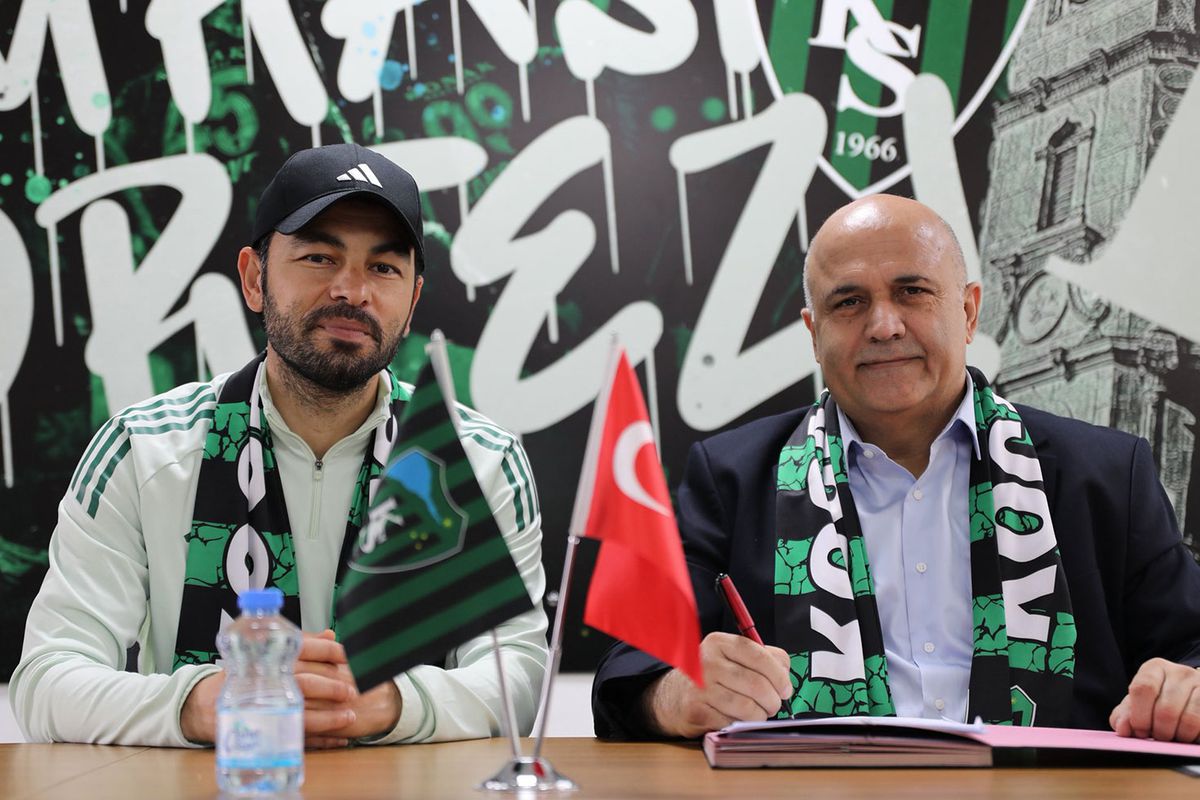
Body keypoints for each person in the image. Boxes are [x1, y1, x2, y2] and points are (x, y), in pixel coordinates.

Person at [593, 194, 1200, 742]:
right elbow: (630, 669)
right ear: (813, 333)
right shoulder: (732, 477)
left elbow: (1190, 647)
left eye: (912, 291)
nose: (884, 326)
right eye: (849, 302)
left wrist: (1187, 689)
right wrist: (675, 696)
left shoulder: (1107, 473)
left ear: (969, 312)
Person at [12, 143, 548, 747]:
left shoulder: (476, 460)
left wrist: (391, 702)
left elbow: (519, 674)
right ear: (254, 278)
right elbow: (48, 679)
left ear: (412, 301)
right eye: (319, 257)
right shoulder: (144, 448)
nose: (352, 290)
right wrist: (200, 702)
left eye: (383, 267)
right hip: (210, 784)